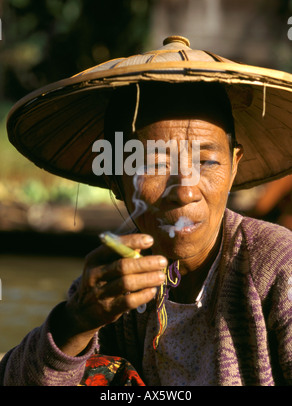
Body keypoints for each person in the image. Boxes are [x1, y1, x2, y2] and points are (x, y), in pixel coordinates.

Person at [1, 36, 292, 386]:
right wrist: (76, 322)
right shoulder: (116, 282)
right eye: (154, 162)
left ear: (233, 167)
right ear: (115, 178)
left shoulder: (277, 268)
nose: (184, 189)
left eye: (206, 161)